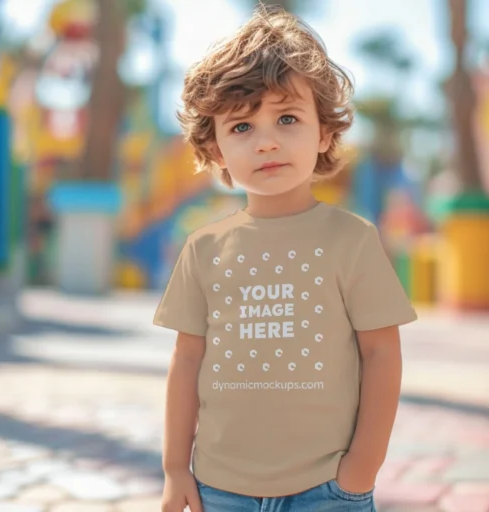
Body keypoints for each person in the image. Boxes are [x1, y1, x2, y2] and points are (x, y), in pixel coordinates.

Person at [153, 5, 417, 511]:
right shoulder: (202, 249)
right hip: (219, 488)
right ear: (214, 150)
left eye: (288, 117)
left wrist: (362, 468)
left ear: (323, 132)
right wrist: (173, 468)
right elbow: (187, 362)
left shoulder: (352, 239)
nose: (267, 141)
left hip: (328, 488)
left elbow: (382, 354)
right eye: (241, 128)